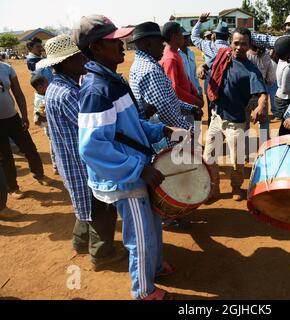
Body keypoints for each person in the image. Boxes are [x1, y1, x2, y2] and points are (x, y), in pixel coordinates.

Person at [73, 14, 185, 300]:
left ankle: (155, 266)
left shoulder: (111, 81)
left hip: (134, 167)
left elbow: (130, 127)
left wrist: (162, 129)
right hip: (126, 179)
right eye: (114, 41)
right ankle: (143, 291)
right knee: (141, 236)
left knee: (153, 223)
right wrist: (138, 169)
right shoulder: (98, 90)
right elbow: (92, 147)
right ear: (96, 48)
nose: (123, 45)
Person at [37, 34, 127, 271]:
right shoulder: (67, 93)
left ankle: (80, 242)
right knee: (101, 208)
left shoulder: (59, 87)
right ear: (66, 62)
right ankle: (102, 254)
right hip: (81, 164)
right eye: (79, 56)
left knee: (83, 206)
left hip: (70, 160)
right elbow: (91, 127)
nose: (84, 59)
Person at [204, 27, 267, 202]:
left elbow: (262, 92)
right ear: (231, 42)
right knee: (208, 157)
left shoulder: (251, 70)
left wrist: (260, 106)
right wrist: (202, 67)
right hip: (216, 117)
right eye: (236, 43)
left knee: (237, 161)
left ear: (249, 45)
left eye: (243, 44)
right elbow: (210, 64)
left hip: (235, 122)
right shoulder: (223, 55)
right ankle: (214, 187)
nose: (239, 47)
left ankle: (236, 187)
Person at [129, 21, 200, 147]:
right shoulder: (150, 70)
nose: (163, 46)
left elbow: (168, 98)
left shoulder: (143, 65)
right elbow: (164, 109)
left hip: (165, 132)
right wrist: (189, 130)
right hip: (166, 138)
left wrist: (190, 108)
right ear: (148, 44)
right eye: (160, 43)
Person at [0, 59, 52, 199]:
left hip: (12, 118)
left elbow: (18, 92)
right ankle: (13, 188)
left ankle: (39, 175)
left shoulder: (6, 68)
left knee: (29, 148)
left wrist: (24, 115)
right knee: (5, 157)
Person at [191, 13, 230, 125]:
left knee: (211, 110)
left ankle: (212, 134)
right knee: (225, 114)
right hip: (225, 85)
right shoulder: (230, 50)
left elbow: (194, 37)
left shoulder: (207, 45)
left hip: (210, 84)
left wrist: (200, 21)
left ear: (215, 35)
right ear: (227, 36)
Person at [159, 22, 203, 118]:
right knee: (186, 132)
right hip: (182, 107)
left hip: (189, 102)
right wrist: (195, 101)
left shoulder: (175, 54)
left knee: (195, 130)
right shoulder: (170, 58)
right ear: (175, 37)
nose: (184, 38)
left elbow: (187, 78)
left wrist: (196, 94)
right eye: (181, 34)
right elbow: (174, 88)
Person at [245, 44, 276, 155]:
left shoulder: (244, 55)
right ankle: (265, 150)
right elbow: (271, 79)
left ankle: (245, 153)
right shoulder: (266, 57)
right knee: (263, 123)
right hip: (261, 95)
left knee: (245, 124)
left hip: (245, 95)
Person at [30, 74, 57, 174]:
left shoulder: (42, 95)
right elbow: (40, 115)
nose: (48, 84)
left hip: (50, 125)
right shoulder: (41, 100)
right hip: (49, 126)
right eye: (46, 83)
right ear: (40, 87)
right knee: (54, 144)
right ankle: (55, 165)